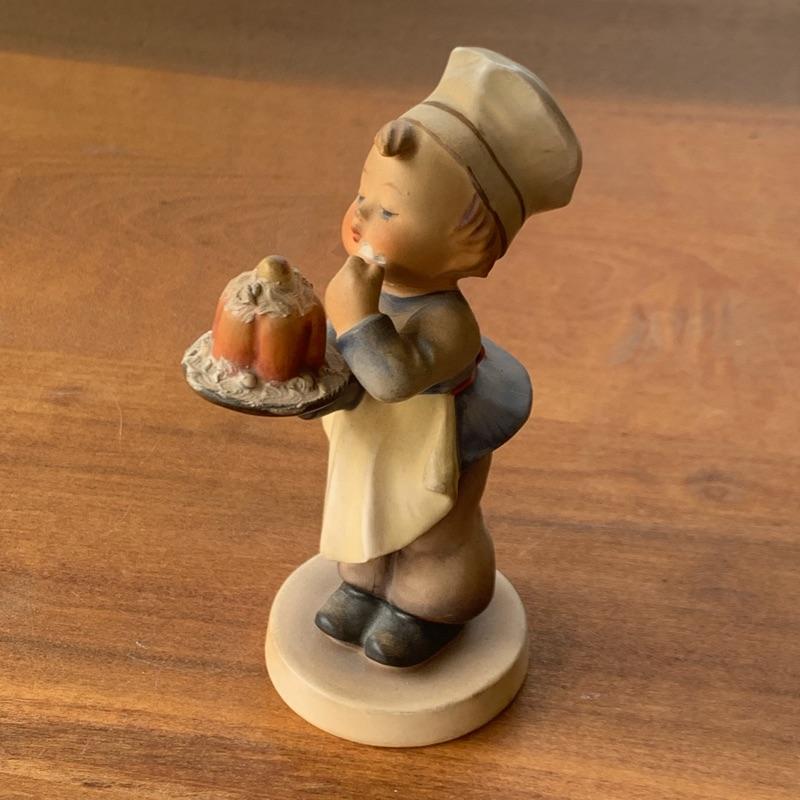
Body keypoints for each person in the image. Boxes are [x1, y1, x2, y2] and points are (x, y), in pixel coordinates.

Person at [313, 47, 581, 667]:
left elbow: (391, 378)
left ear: (467, 246)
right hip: (373, 446)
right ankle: (365, 586)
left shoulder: (447, 321)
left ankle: (427, 608)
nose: (360, 217)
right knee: (365, 522)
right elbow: (343, 365)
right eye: (361, 196)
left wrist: (355, 318)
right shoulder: (368, 291)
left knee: (431, 538)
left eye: (388, 209)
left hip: (431, 447)